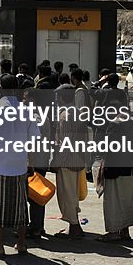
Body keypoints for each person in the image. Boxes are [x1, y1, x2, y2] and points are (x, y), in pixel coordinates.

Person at [0, 74, 38, 257]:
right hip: (20, 164)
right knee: (20, 205)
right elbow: (33, 140)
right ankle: (21, 243)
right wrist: (32, 163)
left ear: (1, 89)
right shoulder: (26, 110)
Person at [99, 89, 133, 242]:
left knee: (113, 202)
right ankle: (125, 231)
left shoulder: (114, 126)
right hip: (130, 169)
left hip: (115, 169)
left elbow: (109, 149)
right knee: (126, 201)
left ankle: (113, 233)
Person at [51, 82, 88, 239]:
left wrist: (56, 161)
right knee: (72, 194)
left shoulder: (65, 115)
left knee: (67, 195)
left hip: (67, 161)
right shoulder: (77, 112)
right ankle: (75, 225)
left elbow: (65, 143)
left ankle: (74, 226)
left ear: (61, 98)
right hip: (78, 159)